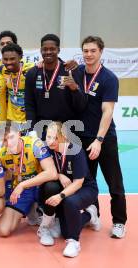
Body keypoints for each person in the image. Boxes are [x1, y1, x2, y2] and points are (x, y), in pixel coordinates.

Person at [73, 36, 127, 238]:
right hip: (81, 137)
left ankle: (119, 222)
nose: (88, 54)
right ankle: (93, 214)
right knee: (88, 181)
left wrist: (99, 140)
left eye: (92, 51)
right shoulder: (77, 72)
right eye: (85, 51)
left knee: (115, 182)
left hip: (104, 139)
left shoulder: (109, 78)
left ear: (101, 52)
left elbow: (108, 111)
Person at [36, 121, 100, 257]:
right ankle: (83, 217)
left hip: (84, 188)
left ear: (64, 136)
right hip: (64, 187)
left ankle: (74, 242)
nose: (51, 141)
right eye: (48, 137)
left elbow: (78, 183)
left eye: (55, 137)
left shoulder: (75, 150)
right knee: (49, 187)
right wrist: (59, 175)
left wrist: (60, 196)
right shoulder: (46, 149)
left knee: (70, 202)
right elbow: (44, 171)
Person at [0, 122, 58, 237]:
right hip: (24, 192)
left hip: (41, 187)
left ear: (19, 134)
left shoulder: (34, 144)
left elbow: (52, 173)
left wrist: (22, 185)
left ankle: (45, 213)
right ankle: (31, 210)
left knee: (52, 186)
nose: (9, 143)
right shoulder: (2, 154)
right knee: (3, 230)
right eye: (5, 140)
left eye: (11, 137)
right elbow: (0, 179)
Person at [25, 34, 87, 137]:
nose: (48, 52)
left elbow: (81, 105)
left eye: (52, 49)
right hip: (42, 129)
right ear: (41, 50)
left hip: (67, 129)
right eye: (45, 49)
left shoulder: (70, 71)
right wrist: (32, 129)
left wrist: (75, 89)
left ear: (58, 50)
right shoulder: (32, 73)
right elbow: (29, 104)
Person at [0, 43, 35, 125]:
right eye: (5, 59)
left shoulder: (31, 69)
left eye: (12, 59)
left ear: (20, 57)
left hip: (29, 119)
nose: (8, 62)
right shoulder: (2, 70)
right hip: (11, 120)